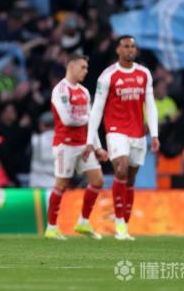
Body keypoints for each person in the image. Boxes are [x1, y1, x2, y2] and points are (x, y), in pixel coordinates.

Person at [88, 36, 160, 240]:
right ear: (118, 50)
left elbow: (150, 104)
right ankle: (119, 223)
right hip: (116, 130)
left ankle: (125, 225)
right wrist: (91, 139)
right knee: (121, 168)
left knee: (130, 179)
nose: (130, 50)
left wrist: (154, 134)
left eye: (133, 47)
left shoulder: (144, 73)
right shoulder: (107, 76)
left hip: (138, 133)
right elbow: (97, 109)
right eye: (126, 46)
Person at [45, 54, 107, 240]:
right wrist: (88, 118)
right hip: (65, 145)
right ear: (71, 67)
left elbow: (91, 125)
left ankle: (83, 222)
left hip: (83, 145)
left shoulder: (84, 92)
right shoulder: (60, 90)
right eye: (82, 67)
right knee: (61, 184)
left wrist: (98, 147)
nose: (85, 71)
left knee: (98, 180)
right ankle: (51, 227)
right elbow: (67, 119)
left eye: (86, 68)